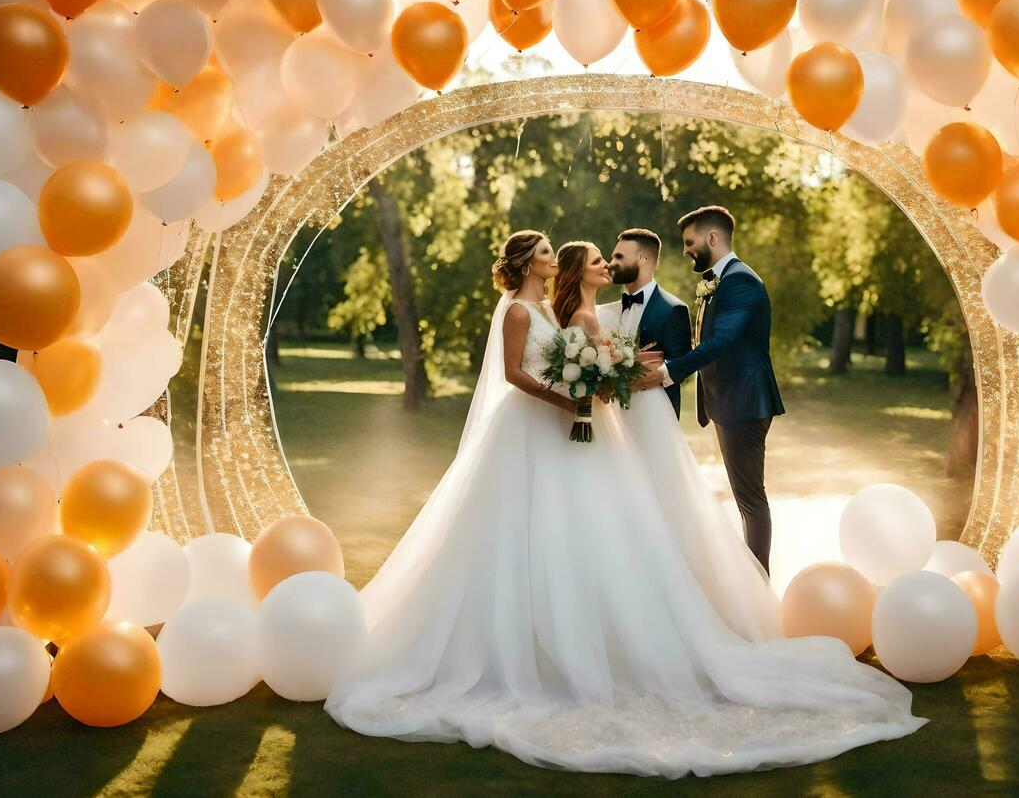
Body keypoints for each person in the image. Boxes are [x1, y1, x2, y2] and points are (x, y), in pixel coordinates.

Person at [326, 230, 923, 777]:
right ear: (526, 262)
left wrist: (610, 371)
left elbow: (578, 357)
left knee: (581, 527)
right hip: (530, 425)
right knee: (512, 525)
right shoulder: (515, 311)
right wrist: (566, 398)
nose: (552, 257)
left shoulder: (542, 309)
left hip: (564, 420)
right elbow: (513, 374)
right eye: (544, 251)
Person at [651, 205, 785, 574]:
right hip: (731, 402)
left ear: (712, 238)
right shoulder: (722, 280)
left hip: (744, 401)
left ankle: (759, 584)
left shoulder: (740, 281)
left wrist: (669, 372)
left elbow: (723, 339)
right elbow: (704, 340)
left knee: (750, 499)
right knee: (747, 497)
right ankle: (757, 579)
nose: (686, 250)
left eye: (689, 242)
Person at [604, 227, 691, 417]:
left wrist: (658, 370)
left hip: (655, 415)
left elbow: (683, 363)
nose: (611, 264)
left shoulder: (673, 309)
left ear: (642, 258)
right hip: (612, 415)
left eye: (619, 257)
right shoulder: (607, 312)